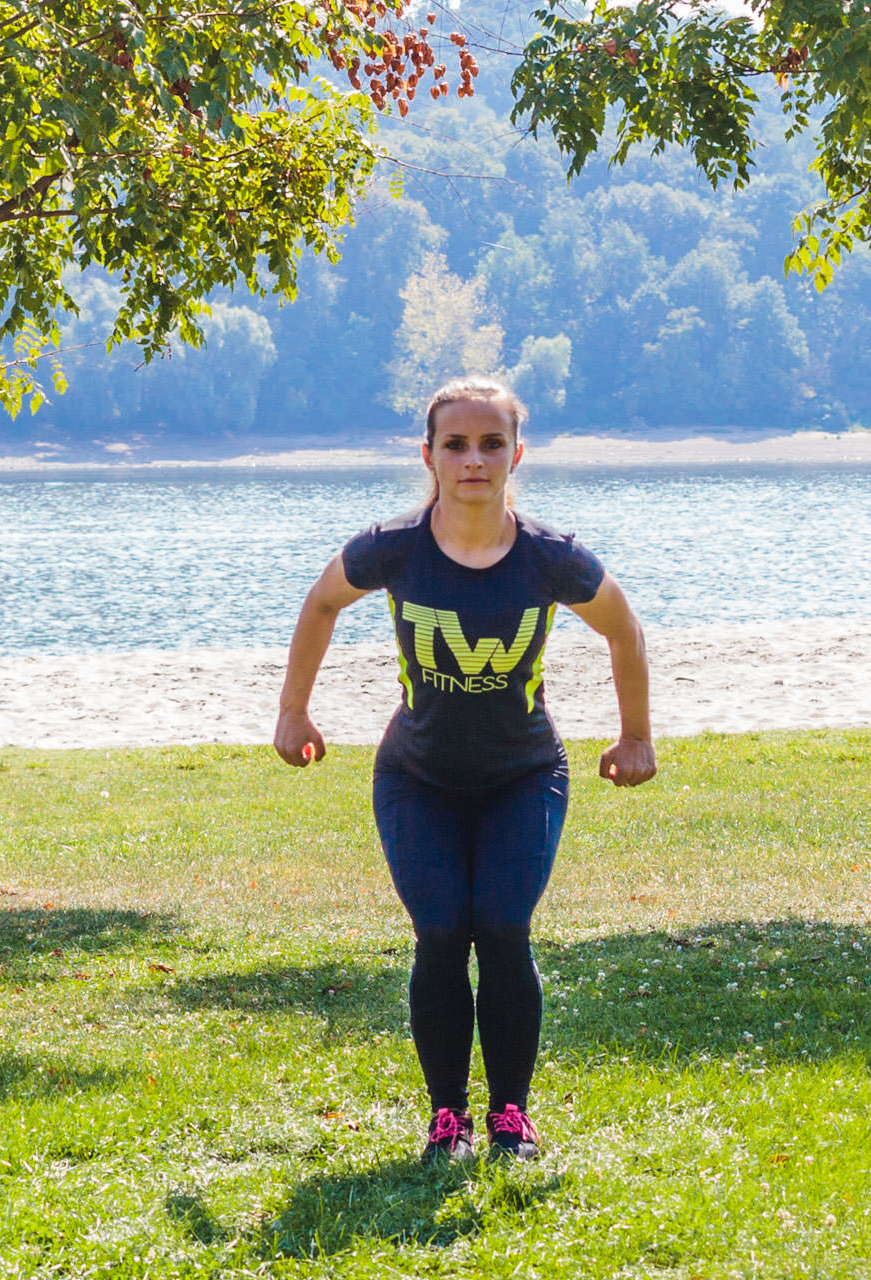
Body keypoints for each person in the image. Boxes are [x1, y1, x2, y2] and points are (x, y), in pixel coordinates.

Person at [273, 376, 656, 1163]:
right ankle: (446, 1117)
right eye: (456, 444)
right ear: (429, 455)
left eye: (490, 444)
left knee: (504, 927)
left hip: (524, 775)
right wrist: (292, 711)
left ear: (517, 455)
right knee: (443, 930)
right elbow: (319, 605)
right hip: (417, 778)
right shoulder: (395, 547)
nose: (473, 459)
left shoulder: (553, 559)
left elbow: (623, 630)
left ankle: (510, 1116)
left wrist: (635, 737)